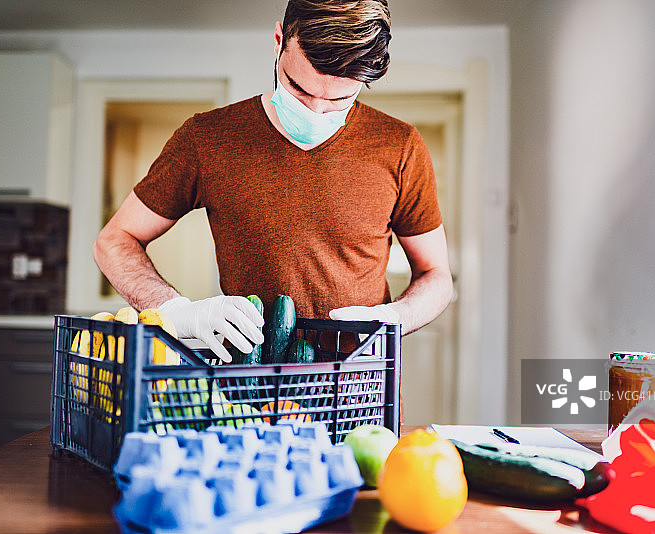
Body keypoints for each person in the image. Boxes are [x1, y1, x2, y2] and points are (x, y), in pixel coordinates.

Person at [93, 0, 453, 362]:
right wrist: (174, 310)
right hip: (247, 388)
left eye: (340, 99)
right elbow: (114, 240)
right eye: (299, 89)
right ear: (279, 40)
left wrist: (396, 317)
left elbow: (435, 274)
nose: (316, 111)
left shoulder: (400, 145)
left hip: (362, 388)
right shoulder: (206, 138)